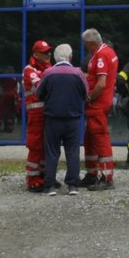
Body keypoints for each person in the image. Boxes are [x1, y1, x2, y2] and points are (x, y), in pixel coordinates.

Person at [38, 44, 85, 196]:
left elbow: (39, 93)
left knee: (51, 152)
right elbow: (85, 93)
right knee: (72, 152)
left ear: (55, 57)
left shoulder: (48, 73)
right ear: (70, 57)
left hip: (52, 119)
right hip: (73, 119)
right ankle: (73, 185)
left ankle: (50, 185)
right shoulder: (78, 73)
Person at [80, 29, 119, 189]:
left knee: (100, 139)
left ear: (90, 43)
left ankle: (106, 177)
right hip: (98, 104)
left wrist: (89, 98)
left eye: (86, 45)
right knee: (90, 139)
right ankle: (92, 173)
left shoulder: (101, 55)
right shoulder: (108, 52)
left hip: (97, 104)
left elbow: (101, 83)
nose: (86, 48)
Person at [21, 40, 51, 192]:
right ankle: (32, 179)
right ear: (36, 54)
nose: (48, 54)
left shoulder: (49, 68)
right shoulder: (29, 70)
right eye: (45, 52)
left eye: (49, 52)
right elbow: (43, 87)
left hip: (48, 114)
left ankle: (44, 176)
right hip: (36, 115)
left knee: (46, 147)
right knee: (35, 147)